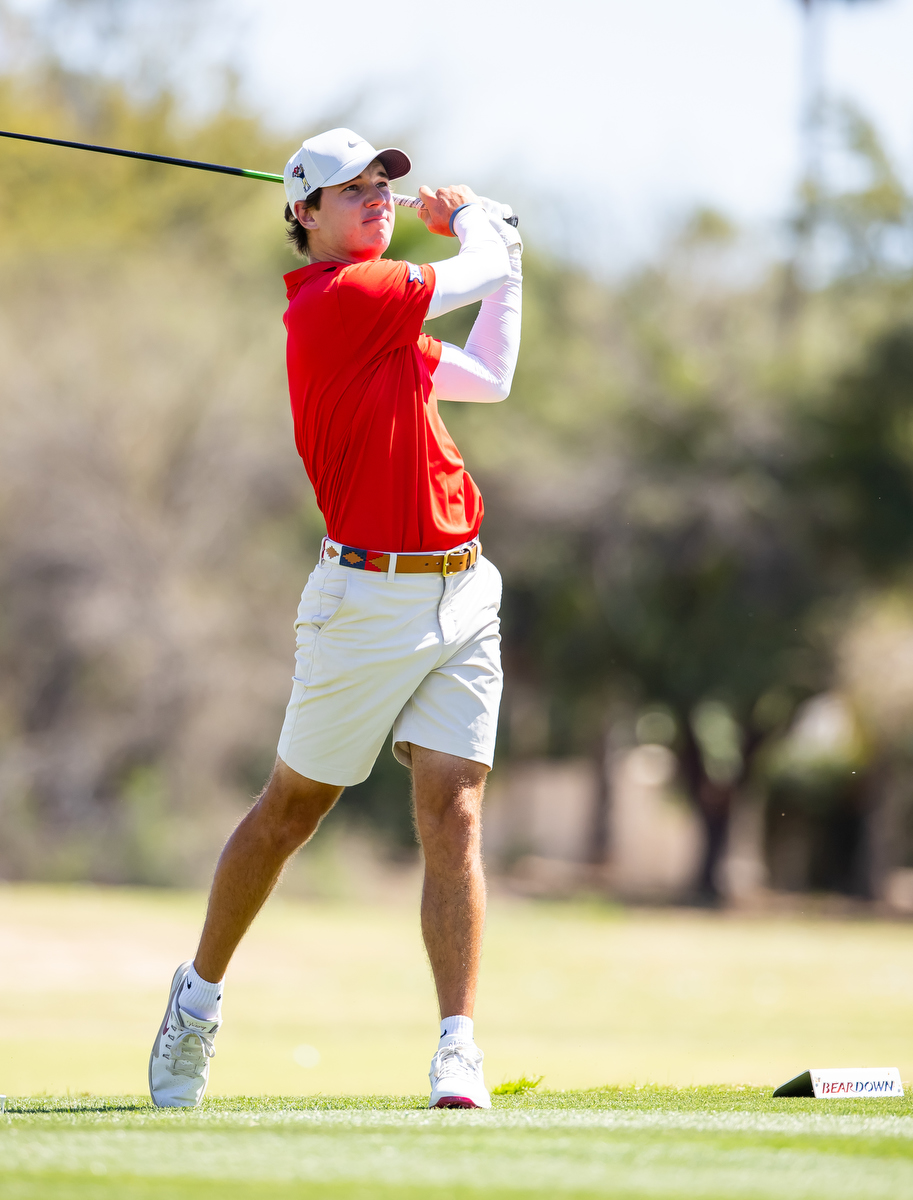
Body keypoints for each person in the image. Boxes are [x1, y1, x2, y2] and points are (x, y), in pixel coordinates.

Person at [148, 127, 522, 1110]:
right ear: (304, 214)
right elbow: (473, 270)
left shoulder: (386, 321)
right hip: (366, 602)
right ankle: (196, 1000)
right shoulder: (343, 300)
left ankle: (458, 1048)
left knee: (456, 813)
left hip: (464, 589)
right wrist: (484, 228)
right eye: (352, 190)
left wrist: (503, 264)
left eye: (385, 187)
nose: (378, 199)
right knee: (289, 814)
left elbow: (489, 378)